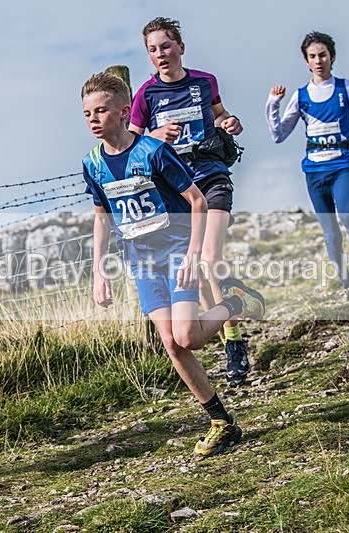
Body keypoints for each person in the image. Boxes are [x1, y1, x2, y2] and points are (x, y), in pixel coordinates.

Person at [81, 71, 266, 458]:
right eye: (87, 113)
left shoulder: (152, 151)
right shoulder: (92, 163)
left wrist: (195, 253)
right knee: (172, 344)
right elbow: (101, 215)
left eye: (101, 110)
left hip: (179, 249)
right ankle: (222, 423)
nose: (94, 119)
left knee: (188, 337)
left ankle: (235, 301)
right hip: (141, 261)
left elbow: (197, 201)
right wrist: (99, 270)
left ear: (123, 111)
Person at [129, 17, 251, 388]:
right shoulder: (145, 96)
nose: (160, 55)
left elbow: (221, 115)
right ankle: (235, 308)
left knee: (209, 260)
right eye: (152, 49)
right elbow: (130, 149)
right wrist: (154, 134)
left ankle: (234, 344)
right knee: (197, 273)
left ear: (181, 47)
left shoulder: (204, 82)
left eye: (166, 46)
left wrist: (231, 123)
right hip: (174, 193)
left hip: (211, 178)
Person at [265, 31, 349, 301]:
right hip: (314, 171)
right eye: (312, 56)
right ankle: (347, 284)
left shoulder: (347, 87)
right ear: (306, 62)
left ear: (332, 57)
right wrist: (273, 104)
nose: (318, 60)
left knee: (346, 215)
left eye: (323, 55)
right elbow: (278, 135)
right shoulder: (300, 96)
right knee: (331, 233)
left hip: (342, 164)